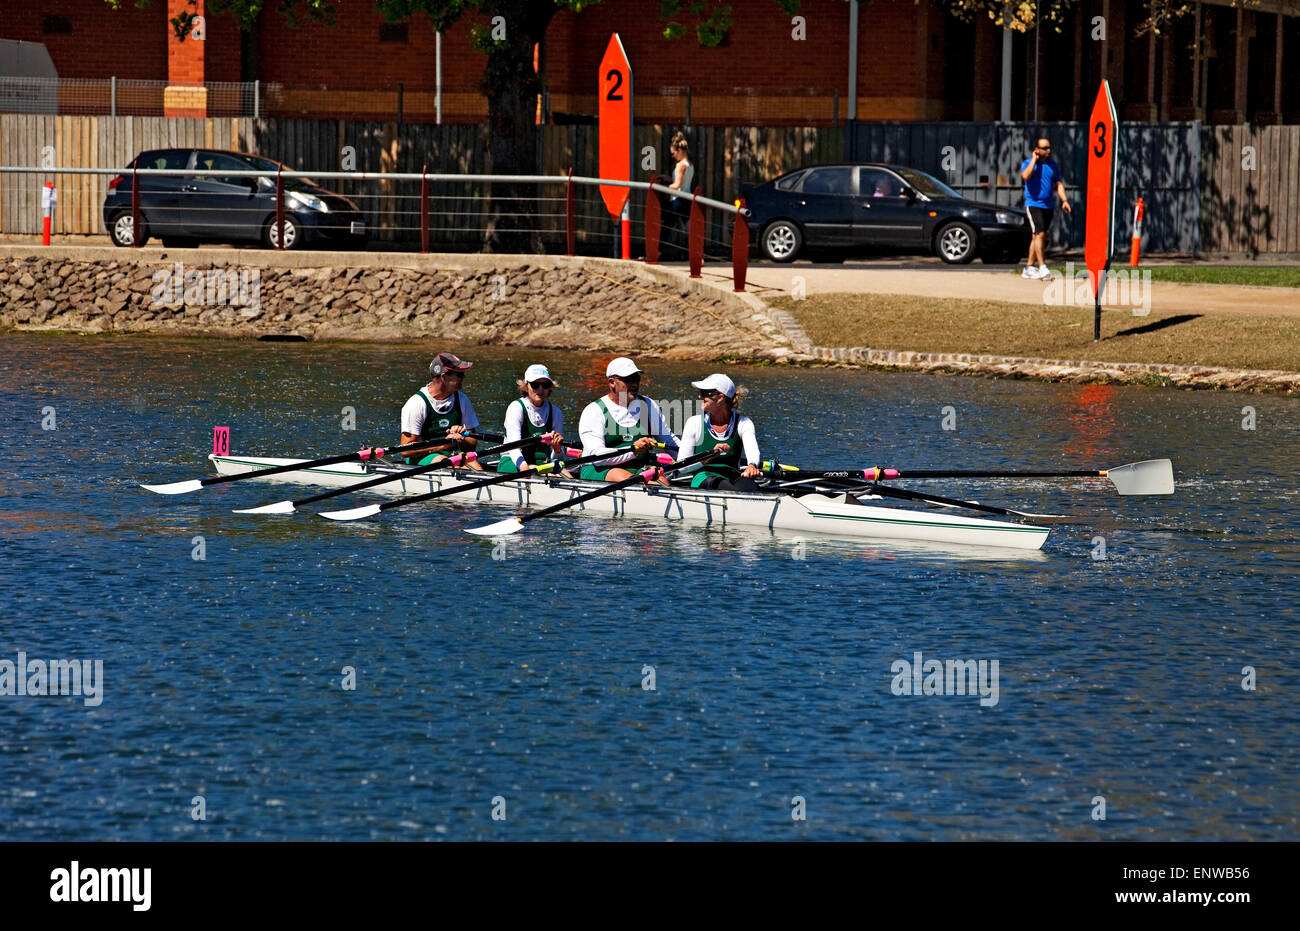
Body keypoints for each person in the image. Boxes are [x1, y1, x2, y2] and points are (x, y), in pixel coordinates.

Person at [578, 356, 680, 483]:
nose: (635, 384)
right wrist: (633, 450)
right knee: (623, 475)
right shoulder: (594, 411)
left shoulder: (648, 405)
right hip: (600, 469)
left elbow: (669, 440)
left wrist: (697, 456)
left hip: (637, 470)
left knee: (663, 481)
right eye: (629, 380)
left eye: (637, 378)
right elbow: (598, 457)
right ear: (612, 382)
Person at [676, 374, 761, 492]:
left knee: (750, 487)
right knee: (724, 487)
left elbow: (752, 449)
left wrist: (752, 466)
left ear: (720, 398)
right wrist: (708, 457)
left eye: (705, 393)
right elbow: (682, 467)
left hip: (733, 476)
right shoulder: (694, 423)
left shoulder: (743, 423)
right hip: (704, 477)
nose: (700, 396)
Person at [399, 351, 483, 468]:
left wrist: (462, 438)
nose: (464, 377)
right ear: (444, 377)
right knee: (444, 462)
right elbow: (406, 450)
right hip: (421, 458)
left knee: (474, 465)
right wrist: (444, 445)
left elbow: (472, 445)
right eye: (459, 374)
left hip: (451, 454)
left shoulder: (462, 400)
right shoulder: (417, 403)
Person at [497, 363, 568, 474]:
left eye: (545, 385)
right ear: (526, 386)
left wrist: (557, 450)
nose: (540, 389)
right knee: (536, 471)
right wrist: (524, 467)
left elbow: (558, 459)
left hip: (541, 464)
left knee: (566, 474)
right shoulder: (516, 408)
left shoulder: (555, 412)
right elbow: (513, 447)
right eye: (535, 385)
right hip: (513, 461)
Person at [1019, 137, 1072, 280]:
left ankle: (1029, 268)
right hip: (1034, 205)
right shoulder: (1028, 163)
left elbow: (1059, 184)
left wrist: (1064, 200)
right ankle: (1042, 267)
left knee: (1037, 236)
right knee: (1040, 234)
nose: (1048, 151)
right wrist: (1034, 160)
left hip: (1048, 205)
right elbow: (1025, 176)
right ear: (1037, 149)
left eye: (1049, 148)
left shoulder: (1052, 165)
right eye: (1044, 148)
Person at [664, 131, 695, 260]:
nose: (673, 156)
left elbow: (677, 185)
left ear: (680, 150)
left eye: (673, 153)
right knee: (690, 229)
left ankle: (657, 252)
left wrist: (665, 188)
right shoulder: (690, 165)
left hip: (678, 200)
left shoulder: (680, 165)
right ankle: (697, 255)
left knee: (666, 226)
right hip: (688, 199)